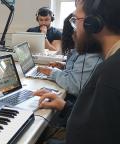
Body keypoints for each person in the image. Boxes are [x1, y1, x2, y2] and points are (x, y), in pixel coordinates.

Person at [35, 0, 120, 143]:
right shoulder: (110, 63)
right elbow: (98, 123)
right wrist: (66, 107)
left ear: (93, 24)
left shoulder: (111, 74)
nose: (73, 29)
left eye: (76, 20)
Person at [37, 13, 102, 98]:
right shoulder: (82, 51)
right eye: (41, 19)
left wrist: (52, 72)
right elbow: (79, 72)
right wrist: (64, 65)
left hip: (75, 103)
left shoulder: (88, 55)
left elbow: (74, 86)